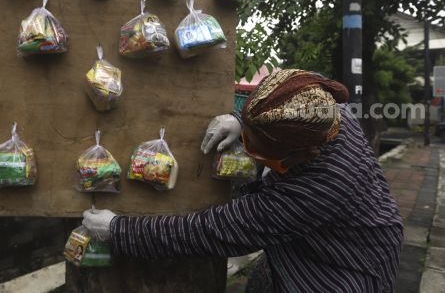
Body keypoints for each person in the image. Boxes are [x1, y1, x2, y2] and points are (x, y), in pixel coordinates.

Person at [83, 69, 403, 292]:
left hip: (345, 267)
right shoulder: (329, 111)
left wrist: (119, 231)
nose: (246, 149)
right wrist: (239, 119)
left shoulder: (315, 192)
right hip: (318, 238)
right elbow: (290, 94)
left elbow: (214, 231)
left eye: (254, 149)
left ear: (301, 155)